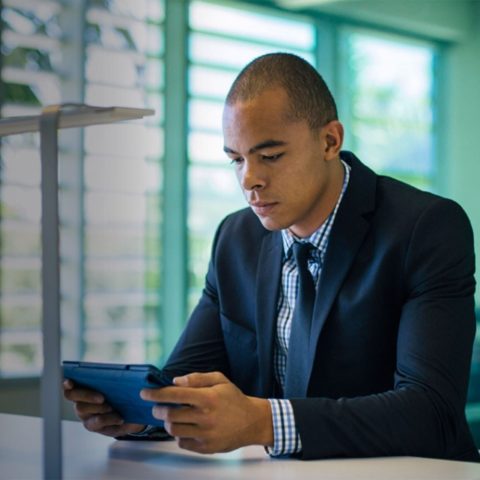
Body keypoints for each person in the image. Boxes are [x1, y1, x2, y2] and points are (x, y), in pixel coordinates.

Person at [64, 52, 479, 462]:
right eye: (236, 159)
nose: (250, 180)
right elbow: (186, 377)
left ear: (330, 140)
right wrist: (142, 414)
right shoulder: (235, 237)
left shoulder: (425, 228)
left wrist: (263, 421)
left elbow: (431, 412)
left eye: (270, 156)